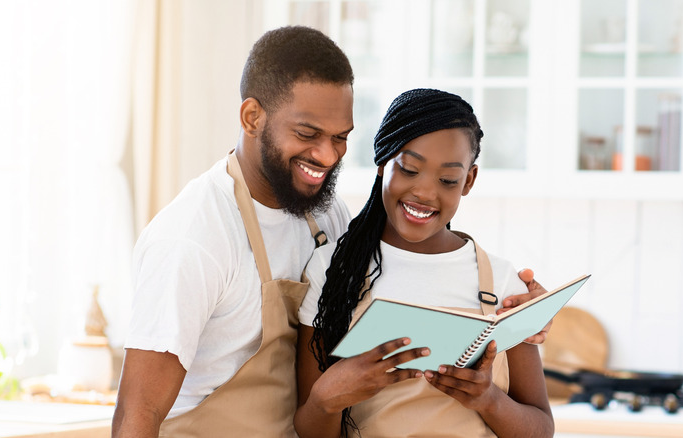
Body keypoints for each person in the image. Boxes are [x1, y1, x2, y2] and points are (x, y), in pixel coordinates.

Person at [113, 26, 548, 437]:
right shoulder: (193, 238)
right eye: (308, 133)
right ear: (251, 117)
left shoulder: (324, 216)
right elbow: (138, 412)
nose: (326, 155)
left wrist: (523, 320)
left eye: (341, 137)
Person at [294, 89, 554, 437]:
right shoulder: (333, 270)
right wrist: (327, 397)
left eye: (447, 180)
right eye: (410, 169)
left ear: (469, 180)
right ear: (383, 162)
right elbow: (309, 429)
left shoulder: (503, 284)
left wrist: (488, 399)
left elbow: (541, 429)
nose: (425, 193)